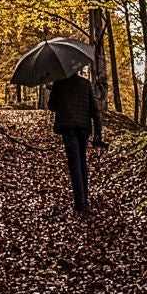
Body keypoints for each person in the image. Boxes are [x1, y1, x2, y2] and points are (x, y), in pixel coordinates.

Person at [47, 65, 104, 213]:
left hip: (68, 128)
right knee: (82, 161)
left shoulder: (59, 83)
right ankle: (84, 199)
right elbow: (95, 109)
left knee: (74, 163)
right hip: (84, 128)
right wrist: (98, 132)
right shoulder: (86, 84)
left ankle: (80, 203)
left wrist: (54, 91)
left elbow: (51, 105)